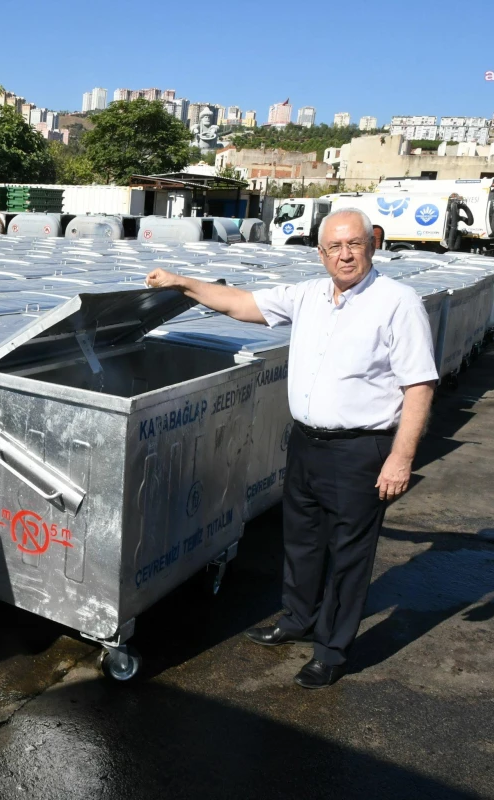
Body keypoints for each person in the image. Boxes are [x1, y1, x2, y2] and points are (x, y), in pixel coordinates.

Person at [145, 209, 438, 689]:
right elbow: (241, 303)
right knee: (301, 540)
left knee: (348, 554)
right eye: (334, 247)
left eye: (354, 244)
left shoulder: (397, 303)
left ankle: (331, 650)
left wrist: (400, 459)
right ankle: (298, 619)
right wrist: (182, 283)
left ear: (372, 245)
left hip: (360, 449)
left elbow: (419, 386)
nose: (345, 255)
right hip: (306, 443)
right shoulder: (308, 296)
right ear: (320, 253)